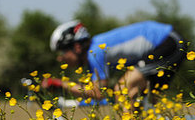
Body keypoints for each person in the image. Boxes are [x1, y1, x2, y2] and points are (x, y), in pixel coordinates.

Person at [43, 20, 187, 108]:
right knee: (147, 102)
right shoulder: (95, 50)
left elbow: (98, 92)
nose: (60, 59)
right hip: (167, 41)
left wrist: (60, 84)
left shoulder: (95, 52)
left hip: (168, 42)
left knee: (123, 90)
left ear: (76, 47)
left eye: (62, 52)